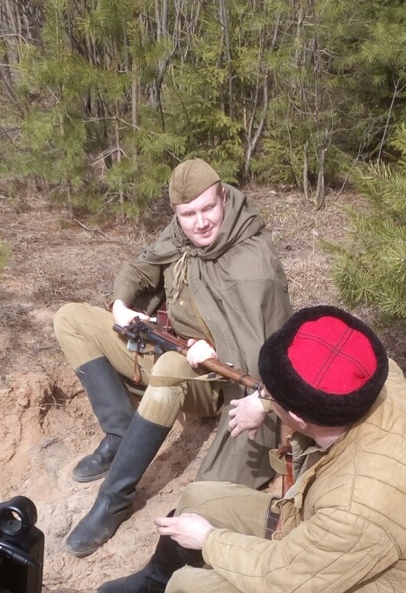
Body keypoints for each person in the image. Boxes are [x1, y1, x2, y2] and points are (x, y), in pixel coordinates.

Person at [101, 306, 406, 593]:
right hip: (339, 538)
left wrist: (208, 541)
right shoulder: (375, 378)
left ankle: (170, 591)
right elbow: (315, 379)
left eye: (274, 397)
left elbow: (283, 580)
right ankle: (156, 577)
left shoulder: (359, 503)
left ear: (298, 417)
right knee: (198, 498)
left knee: (186, 591)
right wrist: (262, 401)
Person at [54, 158, 292, 557]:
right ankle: (120, 434)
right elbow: (140, 268)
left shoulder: (253, 263)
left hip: (220, 379)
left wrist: (217, 351)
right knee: (71, 319)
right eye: (188, 214)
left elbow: (262, 355)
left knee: (169, 370)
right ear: (176, 214)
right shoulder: (181, 236)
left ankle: (114, 497)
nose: (200, 223)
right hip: (170, 345)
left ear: (223, 197)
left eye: (208, 209)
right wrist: (121, 307)